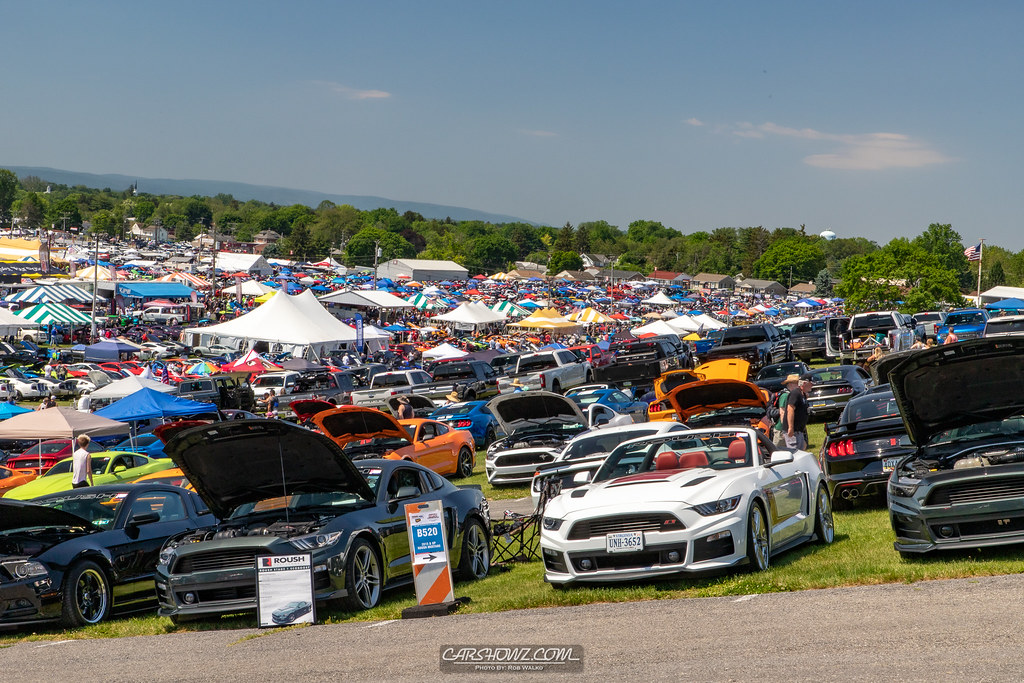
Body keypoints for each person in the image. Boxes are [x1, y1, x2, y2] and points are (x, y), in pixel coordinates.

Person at [781, 374, 809, 450]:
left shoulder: (801, 394)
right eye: (794, 383)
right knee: (794, 452)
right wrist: (790, 427)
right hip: (792, 430)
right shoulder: (793, 394)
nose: (788, 385)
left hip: (798, 430)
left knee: (800, 450)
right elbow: (788, 410)